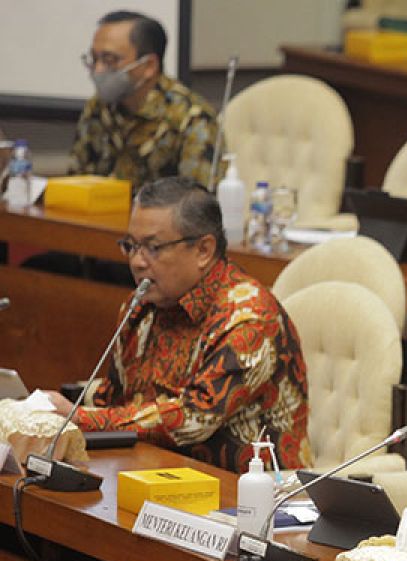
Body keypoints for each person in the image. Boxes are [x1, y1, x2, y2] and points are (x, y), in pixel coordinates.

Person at [42, 178, 310, 474]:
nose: (137, 262)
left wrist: (81, 418)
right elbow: (116, 398)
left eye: (153, 248)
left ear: (203, 250)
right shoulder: (142, 307)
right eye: (131, 246)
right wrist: (43, 407)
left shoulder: (249, 318)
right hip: (156, 473)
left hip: (250, 493)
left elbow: (194, 418)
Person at [70, 10, 219, 190]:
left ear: (149, 66)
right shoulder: (98, 107)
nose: (98, 70)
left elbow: (197, 207)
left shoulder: (193, 119)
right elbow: (75, 183)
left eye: (109, 60)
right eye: (94, 59)